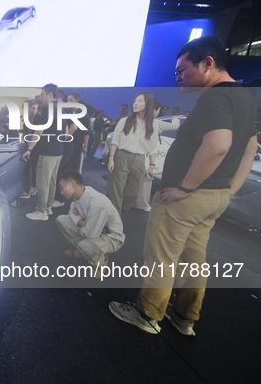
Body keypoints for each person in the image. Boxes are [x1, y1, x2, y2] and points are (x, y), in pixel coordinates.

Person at [109, 36, 258, 336]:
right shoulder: (243, 96)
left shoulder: (216, 97)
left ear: (208, 63)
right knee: (194, 259)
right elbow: (250, 146)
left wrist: (185, 188)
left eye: (182, 70)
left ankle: (148, 314)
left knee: (161, 255)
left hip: (189, 197)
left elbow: (218, 145)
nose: (177, 77)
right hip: (215, 197)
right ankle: (185, 316)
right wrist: (230, 188)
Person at [55, 171, 124, 274]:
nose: (61, 192)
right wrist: (80, 222)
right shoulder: (81, 194)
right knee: (60, 220)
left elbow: (90, 234)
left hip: (111, 237)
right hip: (92, 229)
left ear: (72, 183)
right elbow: (71, 212)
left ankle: (100, 261)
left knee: (85, 245)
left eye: (62, 187)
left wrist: (84, 222)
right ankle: (81, 252)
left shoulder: (96, 203)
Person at [106, 92, 158, 214]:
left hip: (140, 159)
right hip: (122, 156)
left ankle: (118, 210)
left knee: (134, 193)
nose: (136, 103)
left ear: (148, 104)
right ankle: (114, 218)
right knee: (115, 191)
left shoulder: (153, 124)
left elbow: (153, 146)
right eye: (135, 101)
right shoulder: (124, 121)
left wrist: (152, 165)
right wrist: (111, 158)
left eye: (140, 101)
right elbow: (116, 141)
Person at [22, 84, 64, 221]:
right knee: (52, 181)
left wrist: (29, 149)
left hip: (48, 152)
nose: (41, 98)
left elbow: (39, 131)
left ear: (50, 95)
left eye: (42, 95)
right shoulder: (61, 109)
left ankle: (41, 211)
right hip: (58, 150)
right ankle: (48, 207)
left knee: (43, 182)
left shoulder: (47, 110)